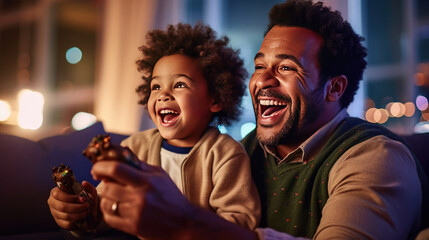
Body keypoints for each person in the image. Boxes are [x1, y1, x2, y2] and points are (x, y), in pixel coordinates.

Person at [91, 0, 428, 239]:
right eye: (259, 65)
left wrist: (185, 224)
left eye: (285, 67)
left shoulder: (375, 158)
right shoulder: (239, 152)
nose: (262, 81)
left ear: (333, 88)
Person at [47, 23, 261, 236]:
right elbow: (106, 208)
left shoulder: (226, 154)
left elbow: (239, 223)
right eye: (156, 86)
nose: (163, 95)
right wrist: (83, 211)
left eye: (179, 85)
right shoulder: (133, 147)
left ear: (215, 98)